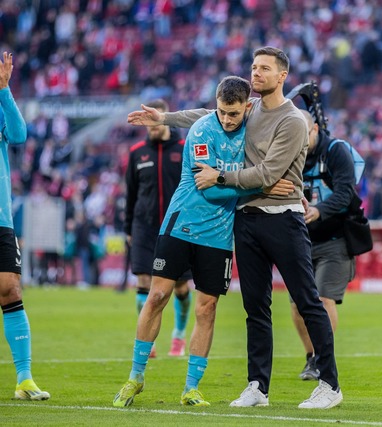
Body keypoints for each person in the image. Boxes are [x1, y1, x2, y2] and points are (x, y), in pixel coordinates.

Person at [127, 46, 343, 409]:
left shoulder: (292, 120)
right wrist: (165, 117)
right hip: (246, 218)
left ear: (282, 76)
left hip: (283, 219)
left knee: (307, 300)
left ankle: (330, 385)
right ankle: (258, 386)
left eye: (264, 69)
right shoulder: (251, 108)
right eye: (254, 67)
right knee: (255, 307)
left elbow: (268, 174)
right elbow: (207, 114)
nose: (256, 73)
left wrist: (221, 176)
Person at [113, 76, 294, 408]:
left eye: (234, 114)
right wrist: (262, 187)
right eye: (222, 112)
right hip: (181, 224)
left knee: (206, 308)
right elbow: (209, 186)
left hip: (219, 235)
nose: (227, 119)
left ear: (246, 107)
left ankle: (191, 388)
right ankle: (135, 377)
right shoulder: (201, 131)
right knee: (156, 296)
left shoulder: (252, 128)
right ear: (216, 104)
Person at [124, 98, 192, 358]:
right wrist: (128, 227)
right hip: (144, 227)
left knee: (182, 287)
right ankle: (148, 339)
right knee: (143, 280)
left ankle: (178, 336)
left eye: (155, 120)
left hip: (178, 227)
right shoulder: (137, 153)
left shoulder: (185, 148)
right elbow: (130, 194)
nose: (151, 126)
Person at [292, 109, 356, 381]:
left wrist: (318, 210)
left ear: (315, 130)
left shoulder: (336, 151)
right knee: (297, 304)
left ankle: (323, 359)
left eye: (303, 134)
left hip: (334, 239)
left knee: (323, 298)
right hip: (300, 240)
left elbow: (346, 192)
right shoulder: (289, 150)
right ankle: (311, 357)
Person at [0, 51, 50, 401]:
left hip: (1, 218)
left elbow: (18, 135)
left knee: (10, 289)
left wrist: (4, 89)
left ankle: (24, 379)